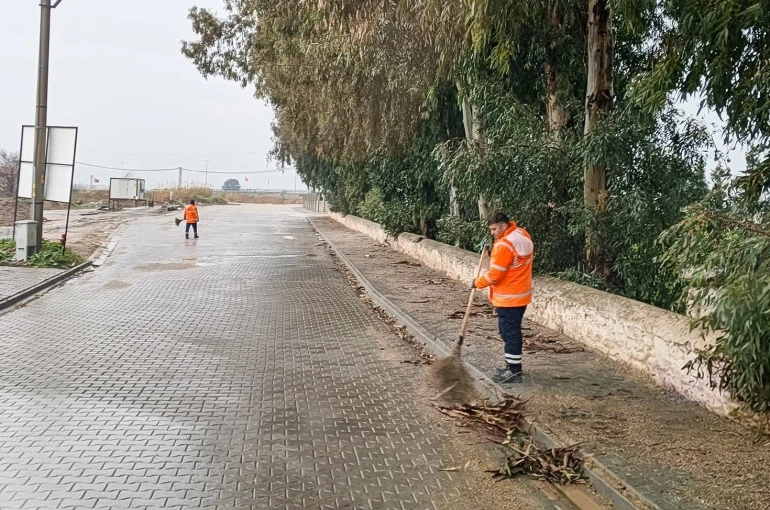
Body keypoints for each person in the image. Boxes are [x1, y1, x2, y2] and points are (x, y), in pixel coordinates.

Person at [474, 212, 534, 384]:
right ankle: (511, 365)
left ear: (503, 226)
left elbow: (495, 275)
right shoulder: (522, 234)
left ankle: (514, 371)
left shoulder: (504, 245)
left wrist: (476, 283)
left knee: (509, 333)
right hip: (521, 294)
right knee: (511, 331)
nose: (492, 232)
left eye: (494, 229)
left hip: (509, 297)